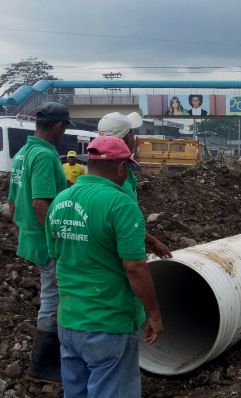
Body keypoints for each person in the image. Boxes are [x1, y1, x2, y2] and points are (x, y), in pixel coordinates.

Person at [46, 135, 163, 397]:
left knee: (76, 392)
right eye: (128, 168)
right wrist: (153, 314)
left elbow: (56, 260)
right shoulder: (121, 203)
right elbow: (134, 267)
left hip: (69, 321)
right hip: (108, 322)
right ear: (121, 167)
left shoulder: (60, 202)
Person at [7, 102, 71, 383]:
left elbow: (12, 202)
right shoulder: (45, 156)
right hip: (46, 243)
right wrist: (59, 244)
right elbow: (40, 204)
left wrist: (20, 229)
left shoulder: (23, 152)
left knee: (51, 296)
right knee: (52, 298)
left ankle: (49, 359)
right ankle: (43, 365)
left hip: (31, 237)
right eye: (65, 127)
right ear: (58, 126)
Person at [98, 112, 172, 259]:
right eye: (132, 133)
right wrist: (154, 243)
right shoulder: (119, 177)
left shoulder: (98, 168)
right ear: (126, 138)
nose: (135, 138)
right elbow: (127, 223)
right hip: (119, 255)